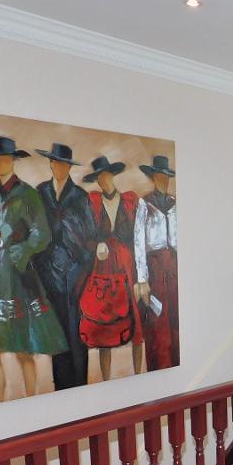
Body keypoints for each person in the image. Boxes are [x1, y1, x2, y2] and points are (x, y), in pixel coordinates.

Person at [0, 135, 67, 401]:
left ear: (13, 160)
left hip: (16, 272)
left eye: (5, 158)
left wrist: (23, 249)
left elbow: (41, 233)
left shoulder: (28, 193)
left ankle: (32, 400)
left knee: (23, 344)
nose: (0, 163)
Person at [34, 142, 97, 390]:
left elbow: (90, 238)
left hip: (74, 275)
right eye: (55, 163)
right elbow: (34, 228)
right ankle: (61, 389)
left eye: (63, 164)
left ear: (69, 167)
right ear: (50, 164)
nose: (59, 167)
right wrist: (40, 265)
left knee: (75, 333)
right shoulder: (41, 192)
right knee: (56, 334)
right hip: (48, 274)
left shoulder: (79, 196)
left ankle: (80, 385)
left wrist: (80, 269)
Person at [82, 155, 144, 380]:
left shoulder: (129, 201)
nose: (103, 180)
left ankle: (139, 374)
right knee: (104, 319)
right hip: (103, 265)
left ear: (112, 176)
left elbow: (138, 236)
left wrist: (141, 277)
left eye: (106, 175)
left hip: (127, 265)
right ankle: (106, 379)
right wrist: (96, 245)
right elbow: (86, 235)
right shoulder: (93, 202)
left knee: (135, 318)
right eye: (99, 177)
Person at [134, 154, 180, 370]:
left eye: (166, 176)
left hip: (174, 266)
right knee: (157, 316)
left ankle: (177, 364)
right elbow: (138, 241)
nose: (164, 180)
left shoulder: (175, 203)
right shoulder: (145, 203)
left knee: (176, 317)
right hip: (154, 266)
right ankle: (160, 368)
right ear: (153, 177)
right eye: (160, 176)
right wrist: (142, 278)